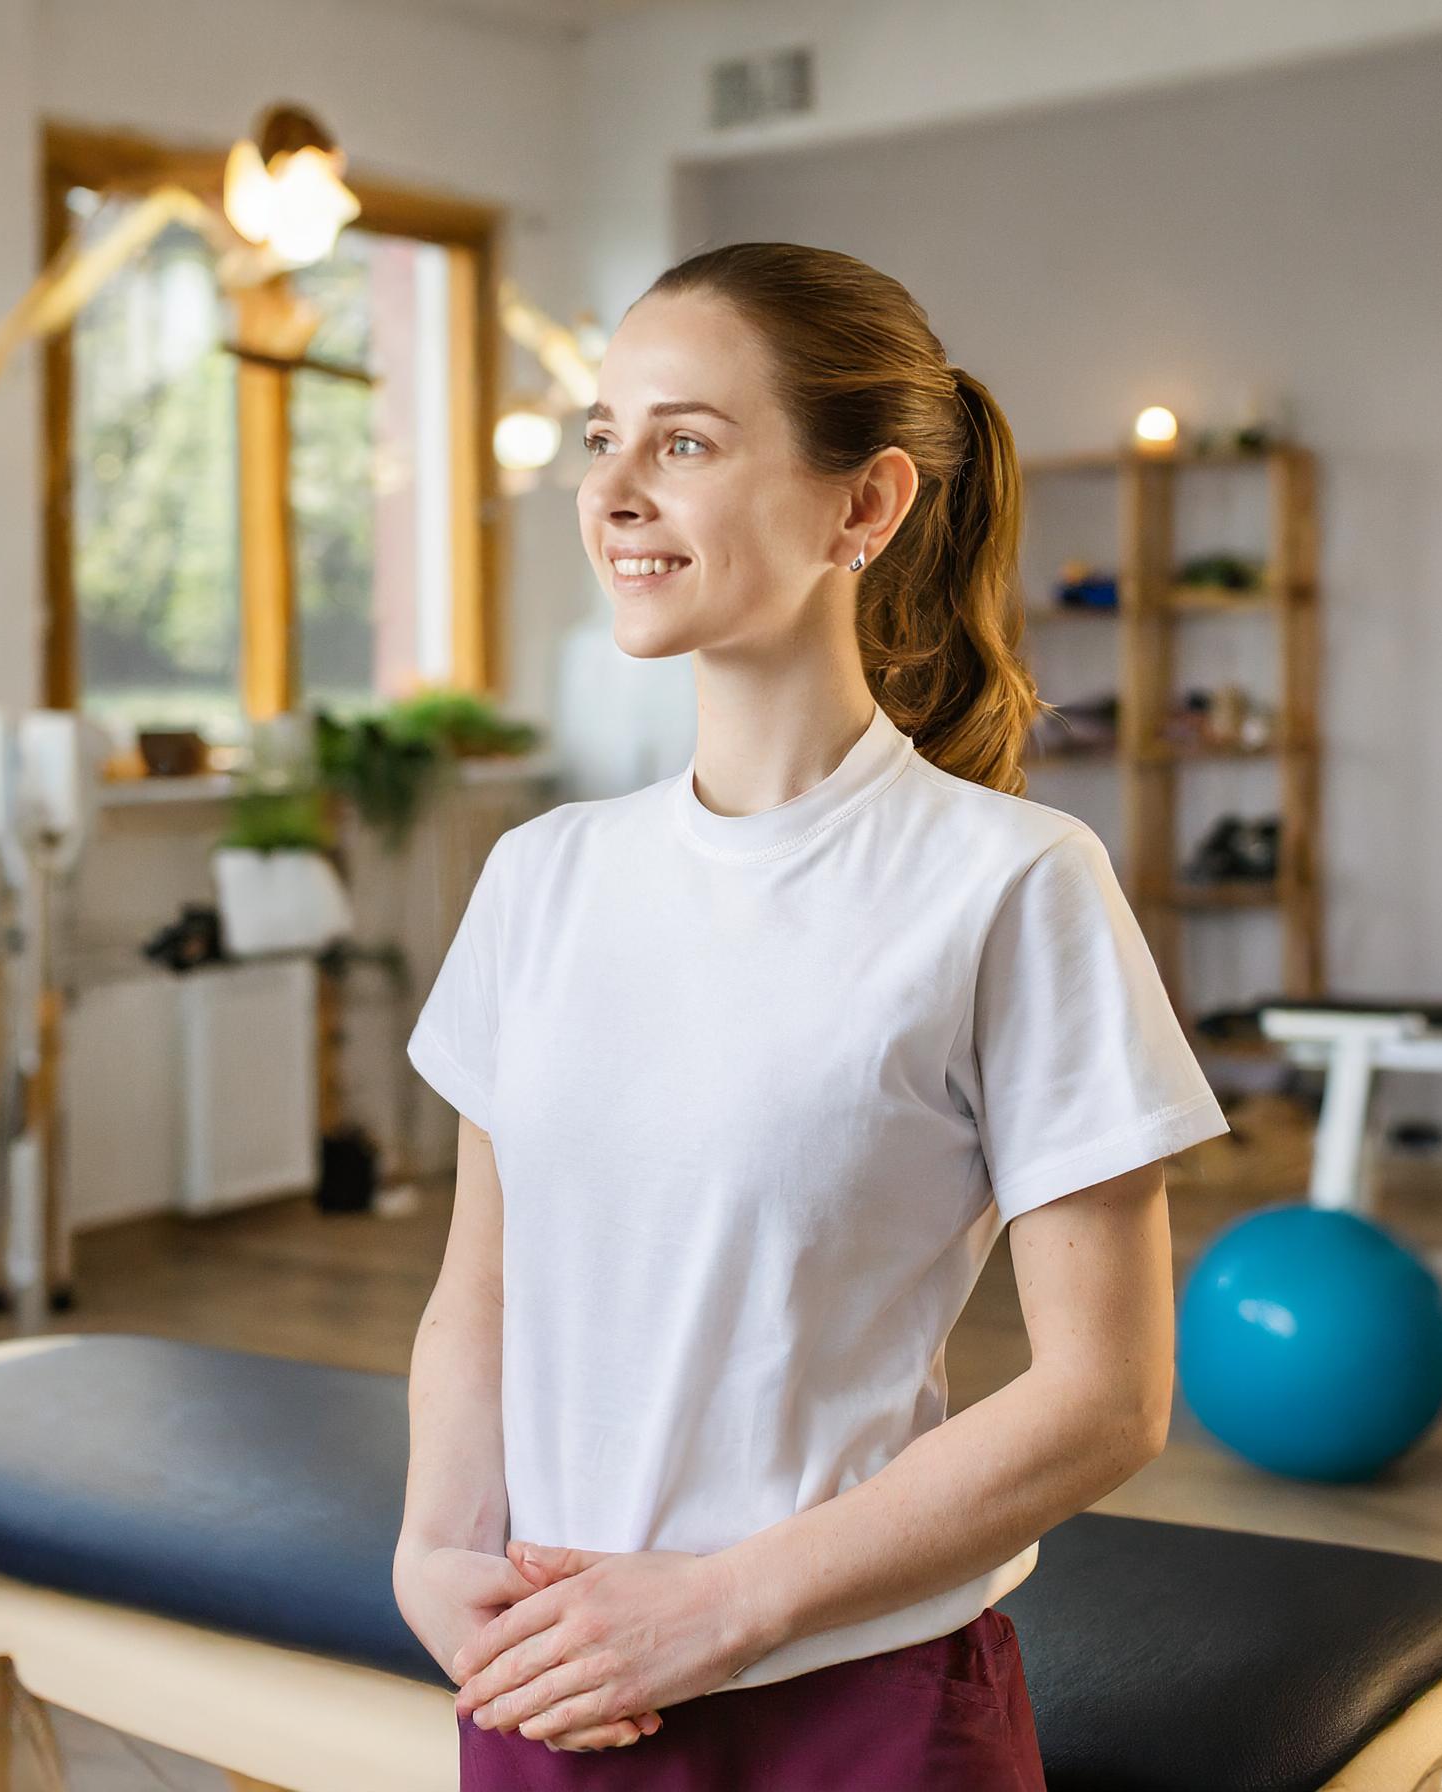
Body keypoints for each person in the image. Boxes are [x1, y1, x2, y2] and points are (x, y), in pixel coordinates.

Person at [392, 241, 1228, 1789]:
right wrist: (438, 1549)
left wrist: (717, 1610)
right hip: (556, 1680)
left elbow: (1103, 1399)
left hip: (855, 1703)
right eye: (602, 440)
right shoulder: (540, 878)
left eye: (686, 442)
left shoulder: (1011, 883)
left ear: (867, 504)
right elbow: (481, 1296)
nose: (615, 490)